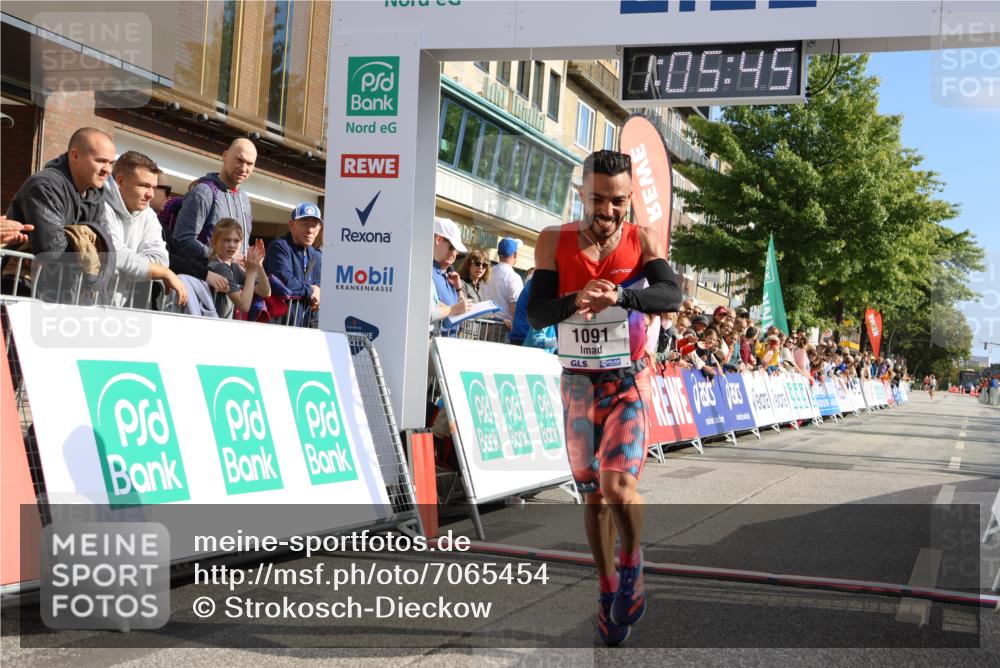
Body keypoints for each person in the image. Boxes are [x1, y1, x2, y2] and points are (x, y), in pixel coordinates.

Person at [527, 149, 682, 646]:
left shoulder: (643, 239)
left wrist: (621, 296)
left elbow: (671, 295)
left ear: (630, 197)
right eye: (597, 199)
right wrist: (580, 298)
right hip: (577, 384)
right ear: (581, 193)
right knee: (593, 497)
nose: (607, 211)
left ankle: (633, 566)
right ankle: (607, 586)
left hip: (628, 382)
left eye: (617, 201)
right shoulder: (555, 240)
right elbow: (537, 314)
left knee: (617, 488)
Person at [7, 127, 114, 255]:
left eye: (111, 163)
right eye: (101, 161)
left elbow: (106, 250)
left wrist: (77, 241)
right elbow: (53, 250)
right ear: (75, 156)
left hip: (67, 275)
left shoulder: (96, 195)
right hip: (24, 274)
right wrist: (85, 243)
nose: (108, 169)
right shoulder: (45, 187)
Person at [102, 151, 188, 307]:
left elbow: (161, 260)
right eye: (144, 186)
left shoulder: (148, 214)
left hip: (116, 308)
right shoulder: (100, 205)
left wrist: (135, 268)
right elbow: (113, 254)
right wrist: (162, 273)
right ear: (120, 181)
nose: (150, 195)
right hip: (80, 307)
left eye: (153, 188)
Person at [172, 137, 256, 262]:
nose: (244, 168)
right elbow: (182, 240)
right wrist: (223, 258)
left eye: (249, 164)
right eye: (239, 160)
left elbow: (242, 248)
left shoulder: (244, 199)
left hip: (235, 278)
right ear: (225, 156)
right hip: (204, 276)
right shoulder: (203, 192)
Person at [264, 203, 324, 325]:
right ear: (291, 225)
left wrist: (318, 289)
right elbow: (286, 282)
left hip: (305, 323)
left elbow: (319, 283)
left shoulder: (316, 255)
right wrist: (311, 290)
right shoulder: (279, 247)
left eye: (314, 225)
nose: (310, 230)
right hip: (278, 323)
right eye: (305, 224)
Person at [207, 218, 270, 319]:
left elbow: (265, 292)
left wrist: (259, 265)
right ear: (214, 241)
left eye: (236, 241)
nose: (232, 245)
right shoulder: (219, 267)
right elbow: (244, 306)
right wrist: (251, 272)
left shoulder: (232, 266)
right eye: (226, 240)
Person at [430, 217, 469, 332]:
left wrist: (459, 289)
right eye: (451, 247)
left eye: (456, 249)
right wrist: (453, 309)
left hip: (447, 341)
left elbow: (463, 308)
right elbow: (430, 309)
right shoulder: (425, 272)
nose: (453, 253)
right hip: (434, 342)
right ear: (438, 239)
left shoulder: (451, 276)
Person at [481, 237, 523, 326]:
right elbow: (515, 309)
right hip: (504, 327)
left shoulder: (487, 272)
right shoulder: (514, 277)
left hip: (483, 324)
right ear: (515, 254)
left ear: (498, 253)